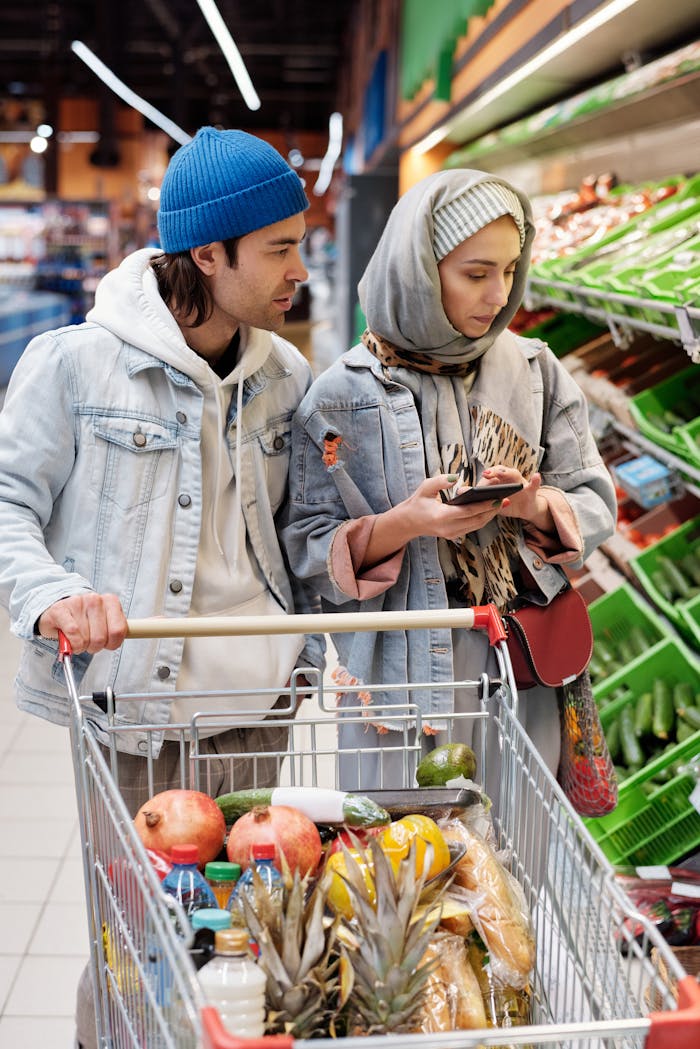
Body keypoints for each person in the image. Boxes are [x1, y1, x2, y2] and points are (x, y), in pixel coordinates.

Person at [0, 126, 323, 1047]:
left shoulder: (284, 375)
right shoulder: (73, 365)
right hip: (142, 709)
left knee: (238, 945)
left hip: (261, 707)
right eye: (280, 247)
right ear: (208, 254)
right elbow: (7, 497)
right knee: (136, 944)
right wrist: (53, 592)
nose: (297, 266)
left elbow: (294, 539)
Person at [283, 169, 617, 793]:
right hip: (397, 686)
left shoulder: (534, 371)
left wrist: (535, 504)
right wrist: (403, 525)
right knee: (399, 870)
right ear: (418, 269)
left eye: (510, 269)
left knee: (511, 870)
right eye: (475, 273)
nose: (499, 293)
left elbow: (595, 501)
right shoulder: (339, 399)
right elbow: (305, 546)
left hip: (517, 671)